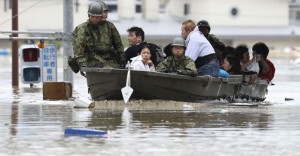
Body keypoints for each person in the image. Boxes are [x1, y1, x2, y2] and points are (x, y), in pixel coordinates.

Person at [71, 1, 125, 71]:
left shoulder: (110, 26)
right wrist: (84, 65)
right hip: (92, 63)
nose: (94, 19)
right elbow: (79, 52)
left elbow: (118, 45)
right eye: (93, 16)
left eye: (106, 12)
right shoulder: (82, 29)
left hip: (110, 62)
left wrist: (122, 60)